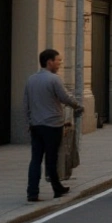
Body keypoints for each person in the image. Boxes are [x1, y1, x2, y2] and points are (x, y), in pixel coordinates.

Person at [22, 49, 83, 202]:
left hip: (36, 125)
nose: (60, 64)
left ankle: (32, 192)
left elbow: (26, 103)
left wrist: (29, 121)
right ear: (49, 62)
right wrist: (77, 105)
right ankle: (57, 188)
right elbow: (64, 97)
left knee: (35, 159)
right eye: (58, 61)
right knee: (51, 158)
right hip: (52, 124)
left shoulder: (31, 80)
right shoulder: (54, 79)